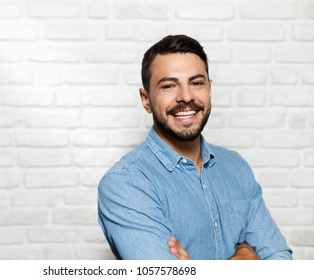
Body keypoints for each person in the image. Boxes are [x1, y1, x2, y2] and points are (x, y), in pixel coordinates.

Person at [97, 34, 292, 260]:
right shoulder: (126, 183)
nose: (186, 96)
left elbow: (282, 262)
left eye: (196, 83)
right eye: (169, 86)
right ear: (146, 99)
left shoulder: (236, 167)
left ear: (209, 89)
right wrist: (247, 259)